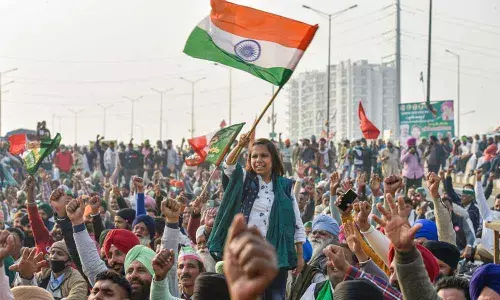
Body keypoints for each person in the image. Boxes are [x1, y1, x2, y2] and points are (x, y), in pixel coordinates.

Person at [209, 135, 306, 299]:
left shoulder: (284, 186)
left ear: (273, 159)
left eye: (264, 156)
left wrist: (299, 255)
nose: (258, 160)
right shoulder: (246, 179)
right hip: (247, 254)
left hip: (276, 255)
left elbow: (296, 222)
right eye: (254, 156)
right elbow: (229, 166)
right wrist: (240, 145)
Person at [12, 241, 87, 300]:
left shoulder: (78, 279)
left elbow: (77, 297)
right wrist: (26, 276)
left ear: (69, 261)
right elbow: (24, 294)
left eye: (60, 254)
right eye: (52, 252)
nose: (54, 257)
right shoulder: (43, 275)